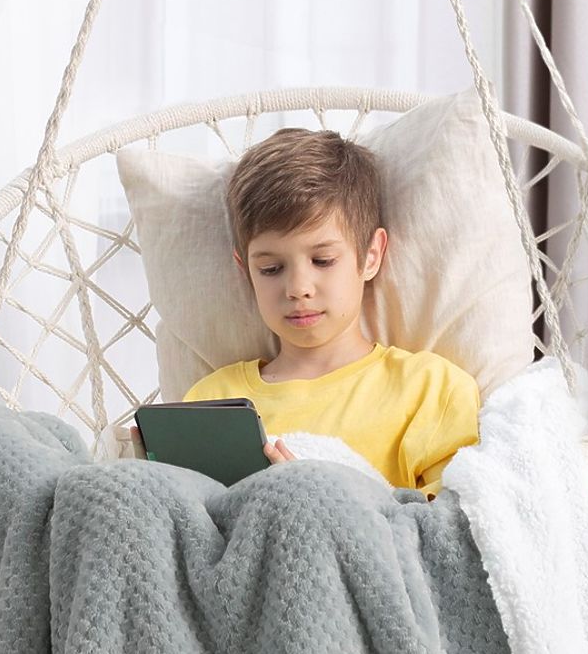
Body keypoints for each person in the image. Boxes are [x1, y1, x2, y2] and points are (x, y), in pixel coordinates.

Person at [146, 127, 481, 500]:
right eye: (271, 269)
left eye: (323, 260)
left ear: (371, 255)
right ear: (246, 271)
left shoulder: (430, 391)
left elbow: (447, 526)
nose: (298, 288)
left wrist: (313, 497)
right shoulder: (210, 403)